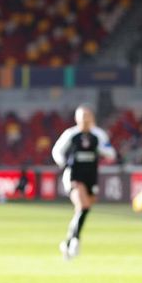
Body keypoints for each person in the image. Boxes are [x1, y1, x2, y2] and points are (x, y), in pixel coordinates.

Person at [51, 104, 116, 260]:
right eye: (82, 116)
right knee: (83, 205)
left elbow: (110, 153)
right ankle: (75, 241)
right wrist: (64, 163)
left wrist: (100, 149)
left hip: (91, 176)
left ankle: (67, 242)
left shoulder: (98, 135)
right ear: (77, 118)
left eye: (87, 116)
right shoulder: (71, 134)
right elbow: (57, 151)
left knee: (83, 210)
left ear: (92, 118)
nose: (85, 119)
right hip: (74, 175)